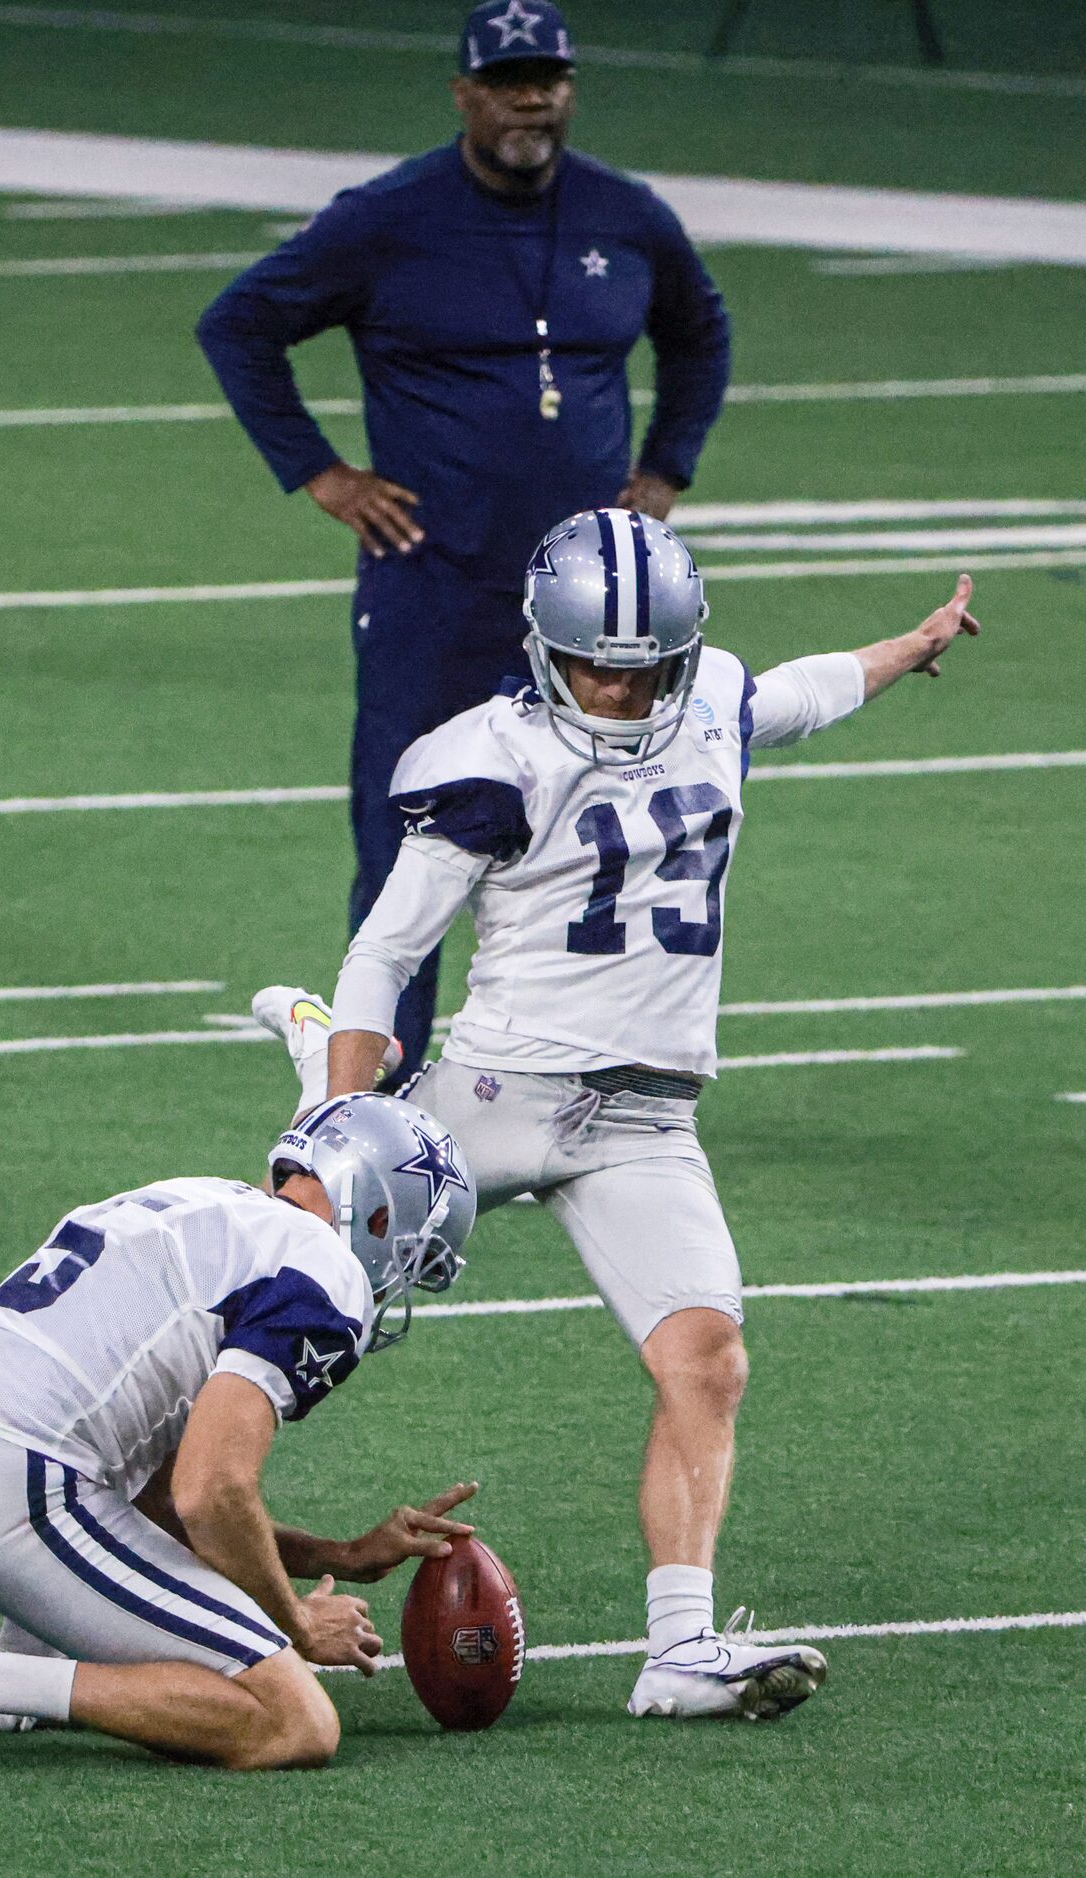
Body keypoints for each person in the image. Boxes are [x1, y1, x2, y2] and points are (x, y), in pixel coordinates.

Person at [255, 508, 980, 1721]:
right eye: (598, 662)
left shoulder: (712, 704)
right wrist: (340, 1117)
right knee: (280, 1303)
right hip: (492, 1094)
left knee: (707, 1360)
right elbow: (385, 953)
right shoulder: (493, 757)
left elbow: (798, 692)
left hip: (644, 1117)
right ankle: (122, 1566)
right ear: (544, 647)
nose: (624, 688)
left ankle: (680, 1649)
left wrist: (909, 647)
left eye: (648, 666)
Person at [197, 0, 731, 1081]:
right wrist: (322, 472)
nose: (531, 96)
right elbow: (239, 323)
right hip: (432, 588)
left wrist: (668, 464)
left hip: (589, 614)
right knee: (410, 835)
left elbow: (699, 329)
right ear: (465, 94)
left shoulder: (623, 216)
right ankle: (380, 1082)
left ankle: (572, 1070)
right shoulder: (388, 216)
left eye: (550, 76)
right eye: (509, 78)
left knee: (596, 835)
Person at [0, 1096, 477, 1770]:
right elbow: (209, 1494)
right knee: (294, 1723)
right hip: (9, 1484)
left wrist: (342, 1555)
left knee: (117, 1475)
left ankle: (35, 1640)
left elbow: (159, 1499)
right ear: (382, 1212)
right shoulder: (323, 1267)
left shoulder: (196, 1197)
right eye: (412, 1252)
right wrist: (294, 1625)